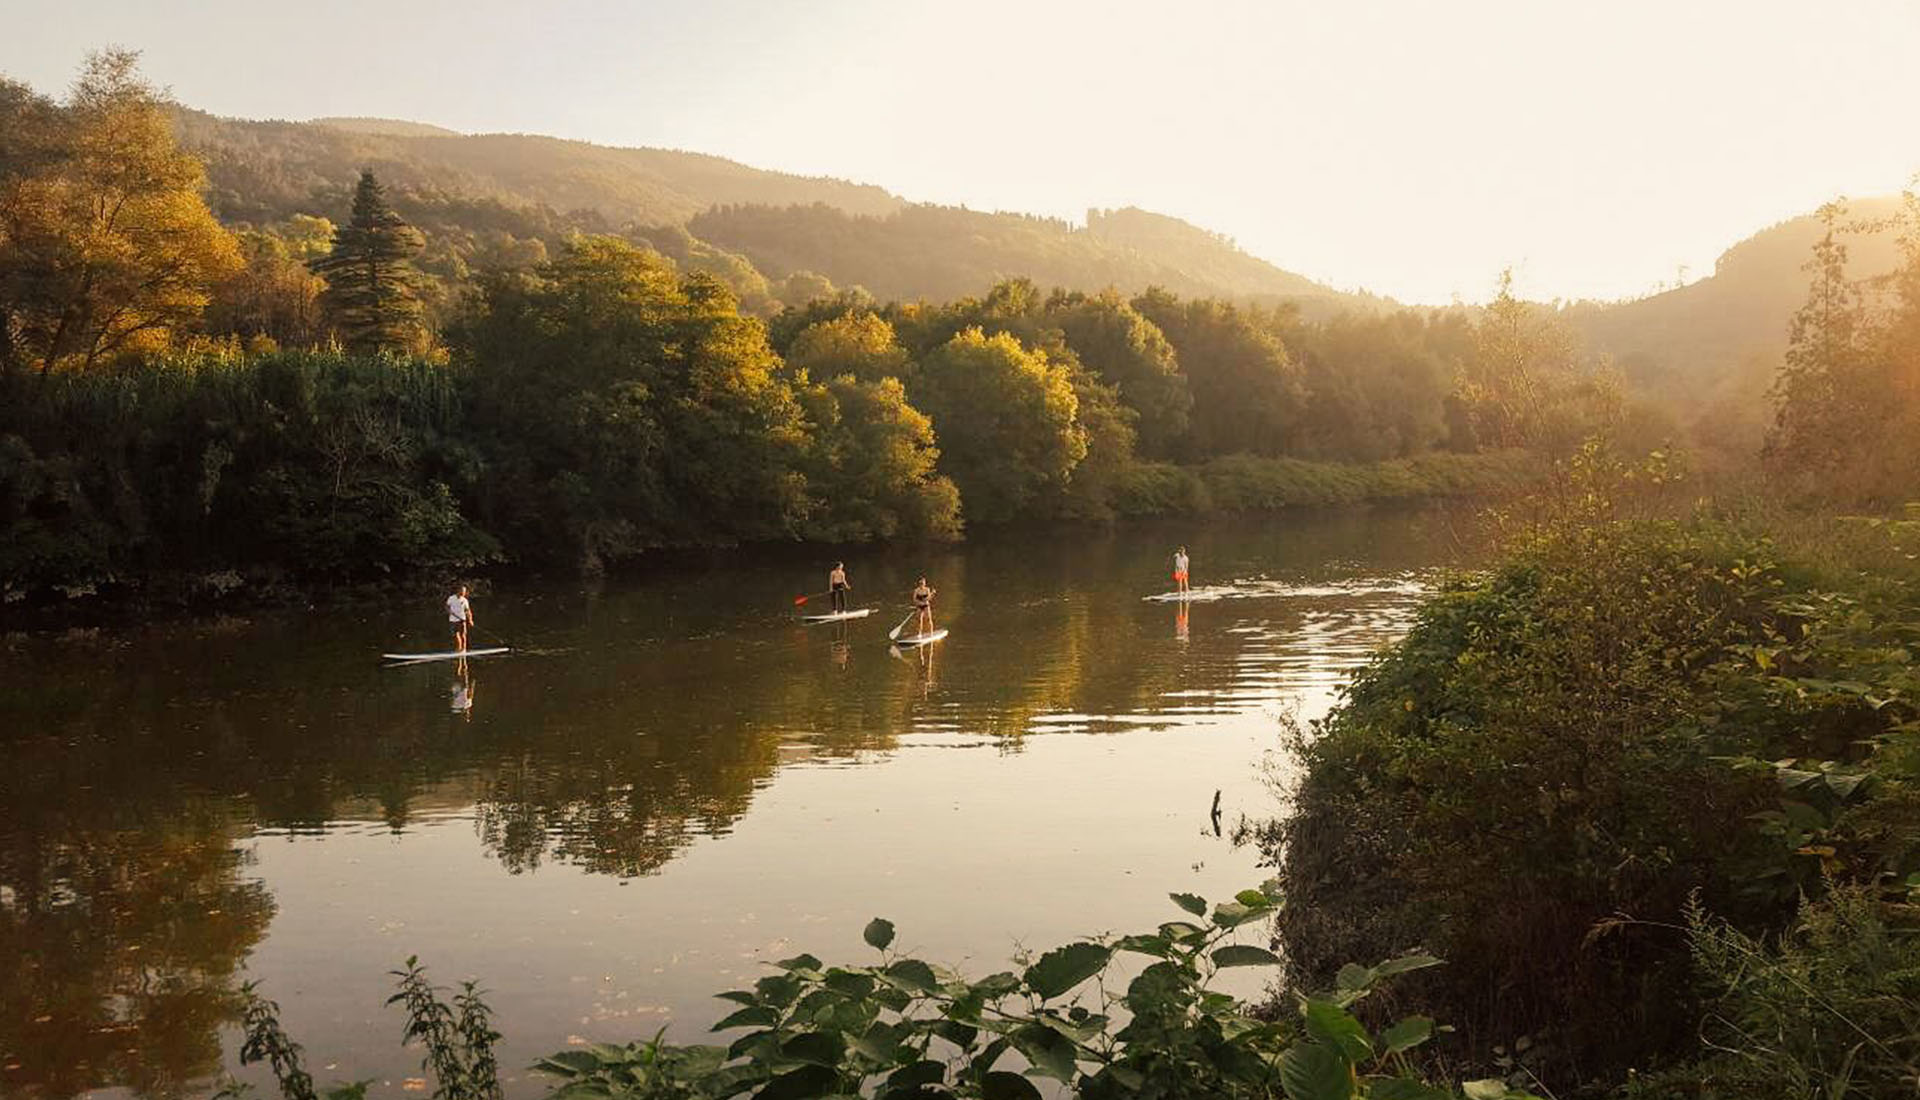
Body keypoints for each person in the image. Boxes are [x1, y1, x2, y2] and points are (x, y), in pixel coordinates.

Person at [446, 584, 474, 654]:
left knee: (463, 634)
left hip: (462, 620)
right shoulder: (451, 598)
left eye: (464, 591)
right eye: (462, 591)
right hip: (453, 620)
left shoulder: (465, 600)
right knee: (456, 635)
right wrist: (449, 611)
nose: (464, 593)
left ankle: (463, 650)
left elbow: (468, 611)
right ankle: (459, 649)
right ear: (458, 591)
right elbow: (447, 607)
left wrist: (470, 620)